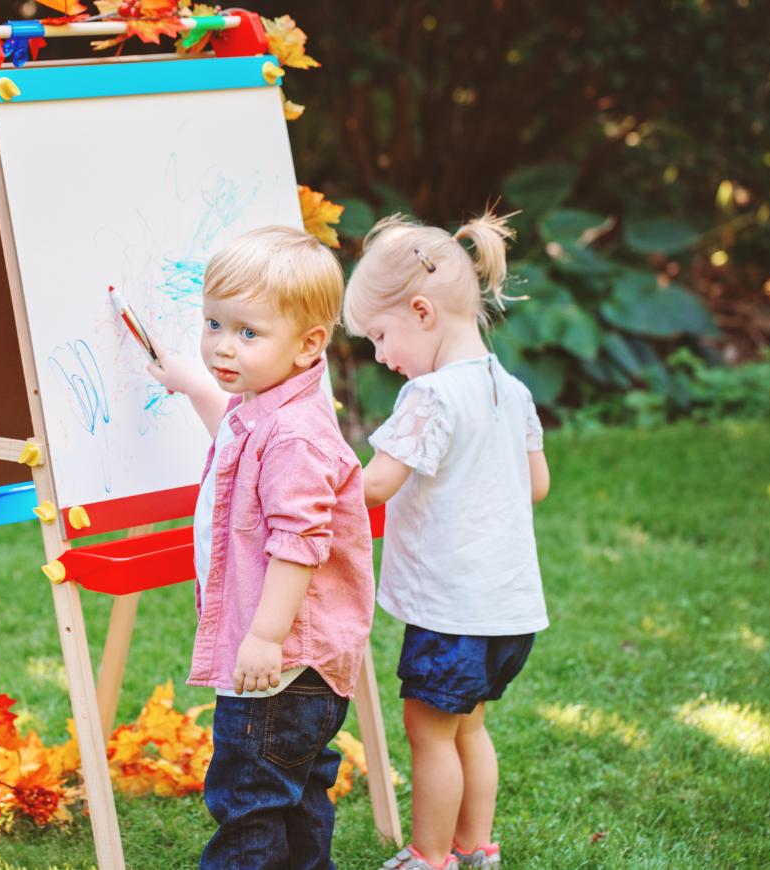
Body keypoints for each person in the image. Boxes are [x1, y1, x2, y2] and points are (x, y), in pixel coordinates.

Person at [146, 225, 375, 870]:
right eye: (214, 323)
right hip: (302, 668)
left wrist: (264, 637)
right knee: (294, 796)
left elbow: (298, 544)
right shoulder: (270, 410)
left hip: (282, 666)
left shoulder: (295, 439)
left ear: (308, 346)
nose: (223, 345)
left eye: (248, 333)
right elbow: (237, 444)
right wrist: (194, 385)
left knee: (247, 801)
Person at [343, 213, 551, 870]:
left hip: (451, 610)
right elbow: (536, 484)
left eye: (379, 335)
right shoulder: (509, 389)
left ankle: (429, 857)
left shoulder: (430, 397)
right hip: (507, 611)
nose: (379, 354)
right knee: (470, 729)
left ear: (422, 311)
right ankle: (476, 847)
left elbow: (376, 486)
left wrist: (314, 479)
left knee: (428, 735)